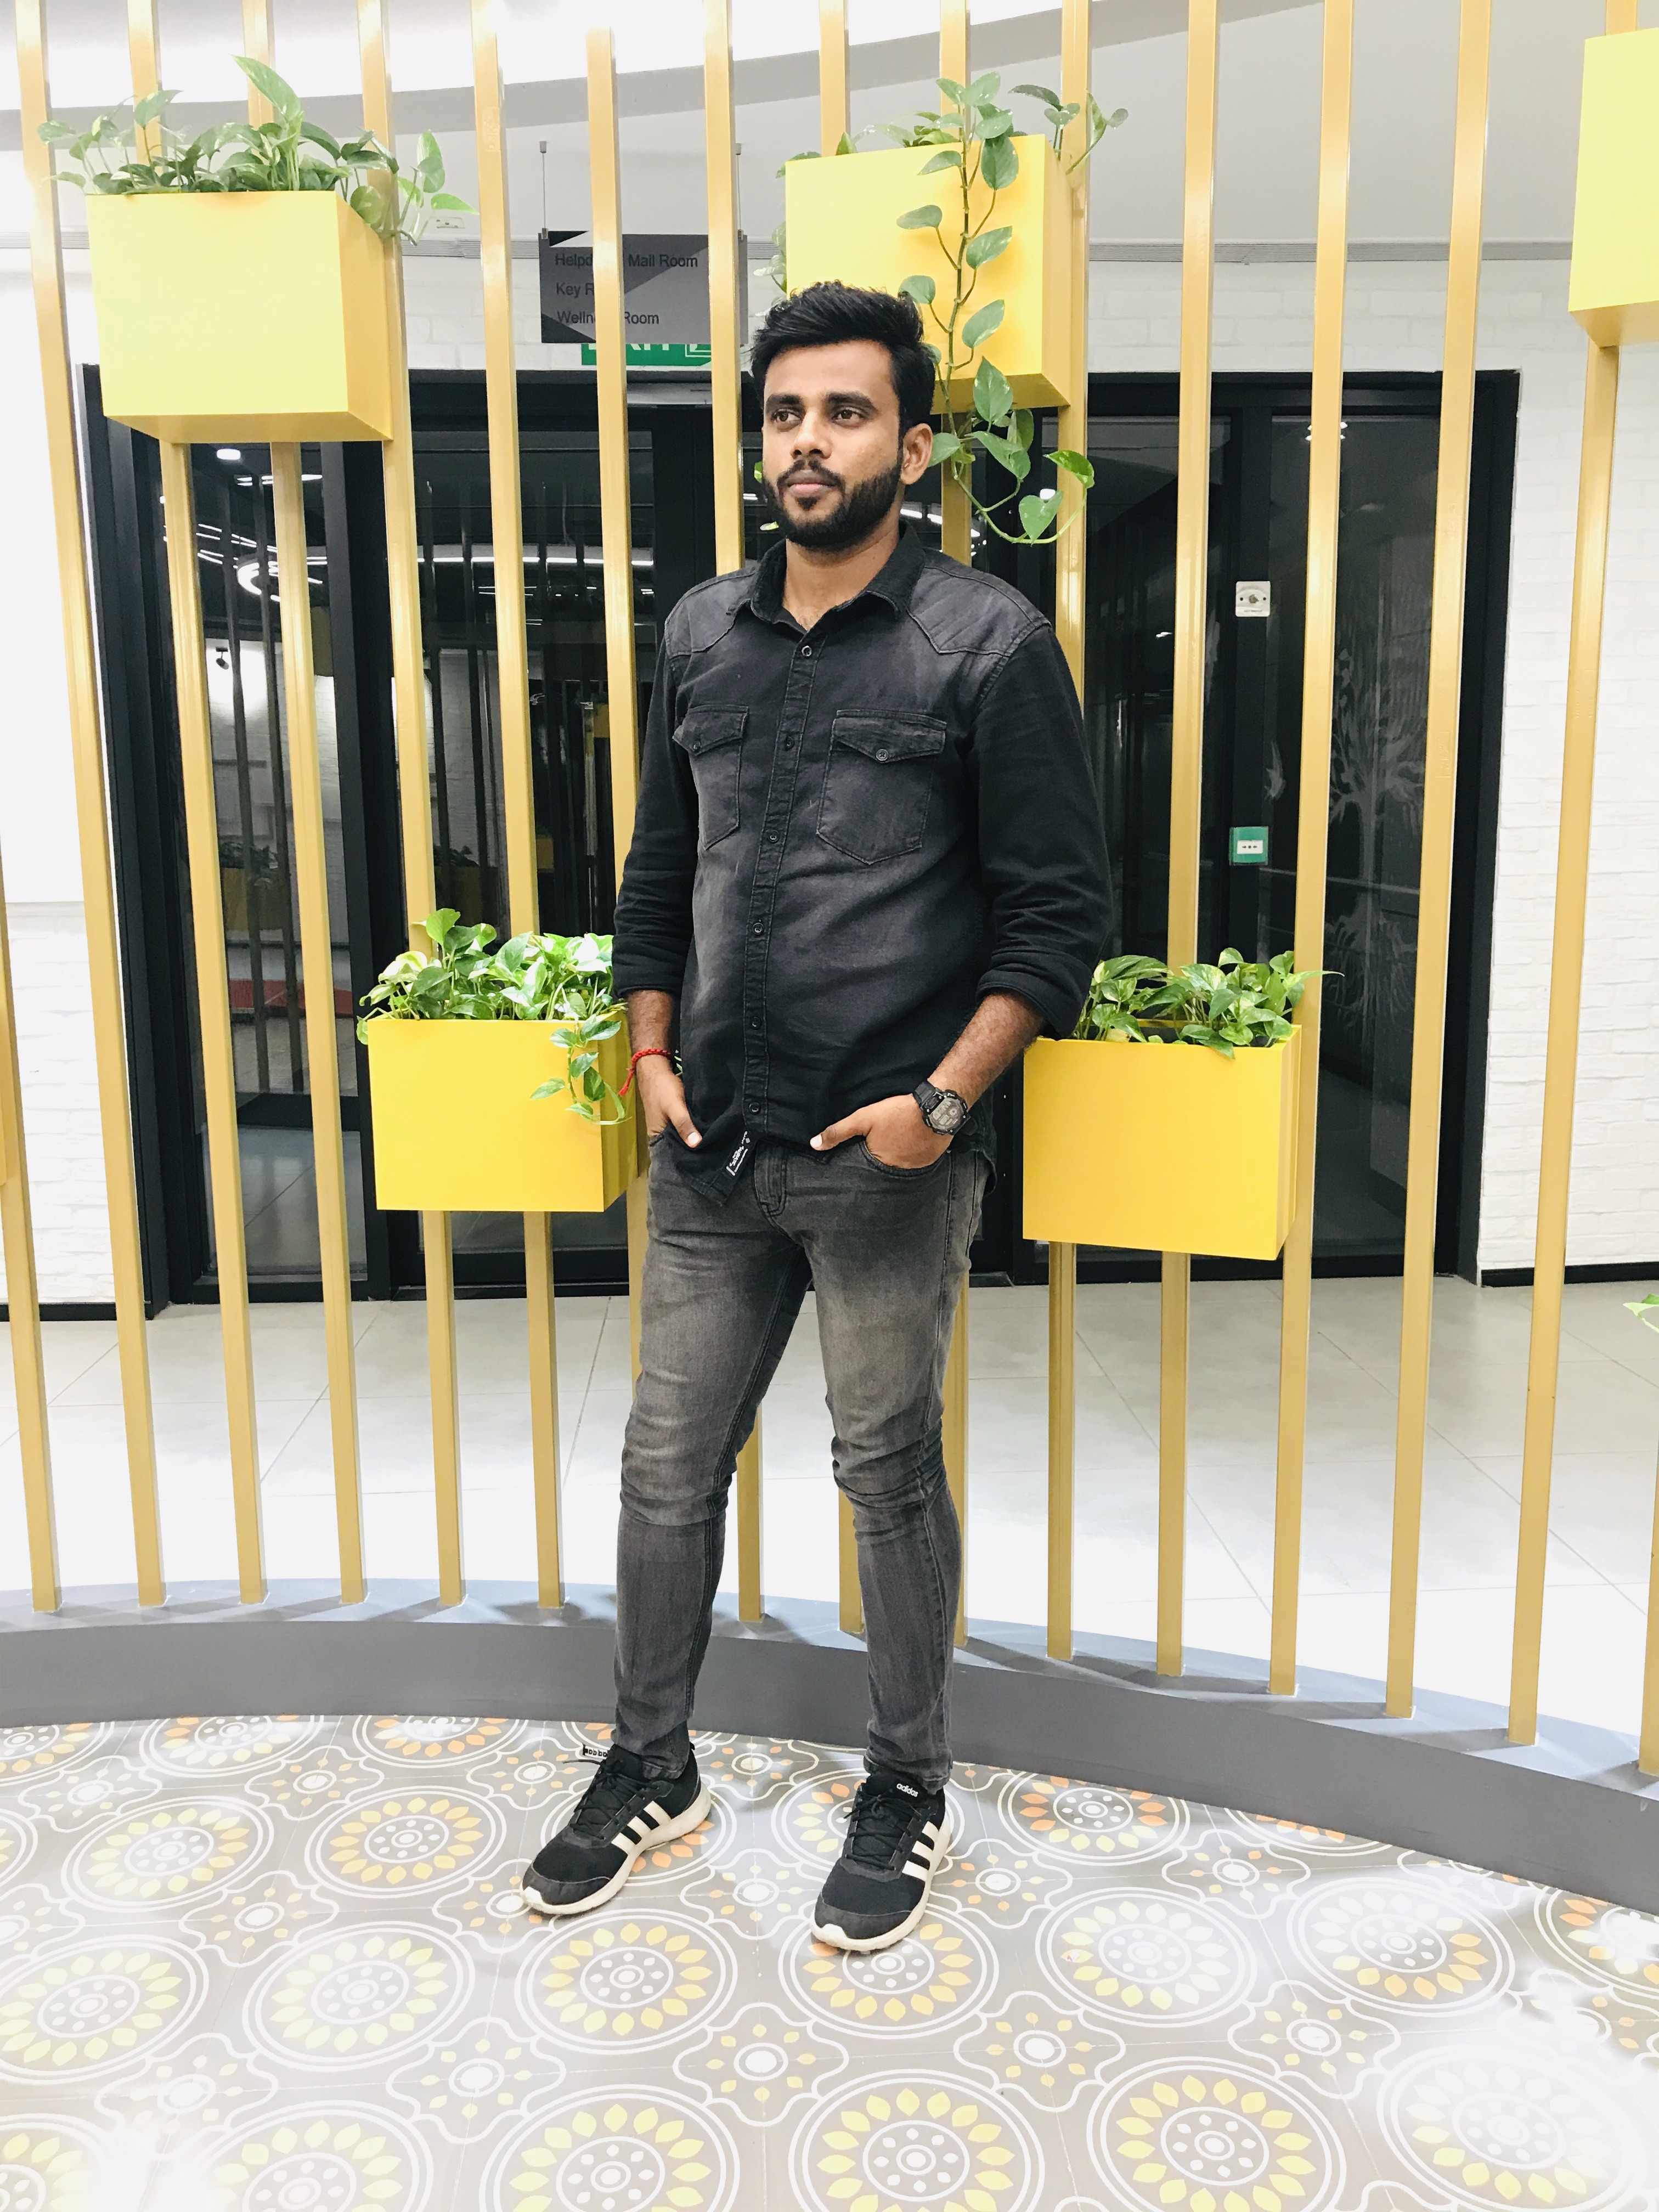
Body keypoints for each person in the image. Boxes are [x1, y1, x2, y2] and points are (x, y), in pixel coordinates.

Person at [523, 280, 1111, 1951]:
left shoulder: (988, 645)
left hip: (884, 1160)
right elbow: (655, 878)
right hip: (710, 1144)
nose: (808, 441)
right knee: (663, 1466)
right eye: (785, 413)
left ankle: (908, 1781)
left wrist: (942, 1101)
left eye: (846, 413)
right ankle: (652, 1763)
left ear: (912, 449)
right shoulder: (701, 634)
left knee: (886, 1473)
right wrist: (649, 1056)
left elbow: (1057, 916)